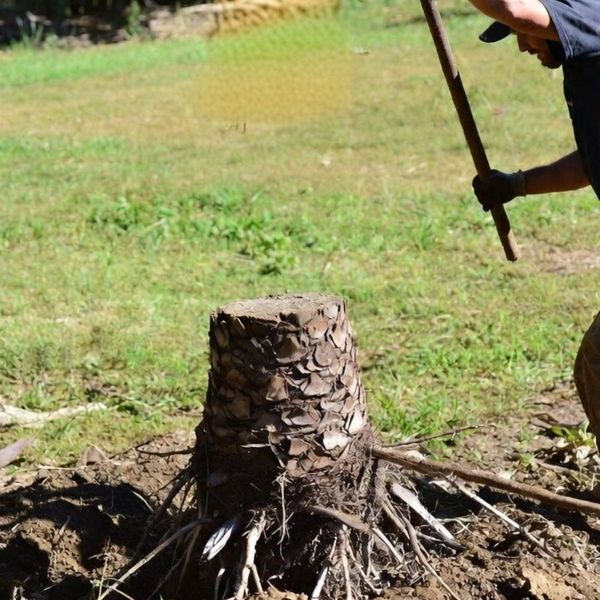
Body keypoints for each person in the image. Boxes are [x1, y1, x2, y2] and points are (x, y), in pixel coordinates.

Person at [468, 0, 600, 445]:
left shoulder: (594, 16)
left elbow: (515, 9)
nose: (523, 46)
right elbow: (589, 164)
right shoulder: (587, 67)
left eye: (520, 35)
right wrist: (517, 184)